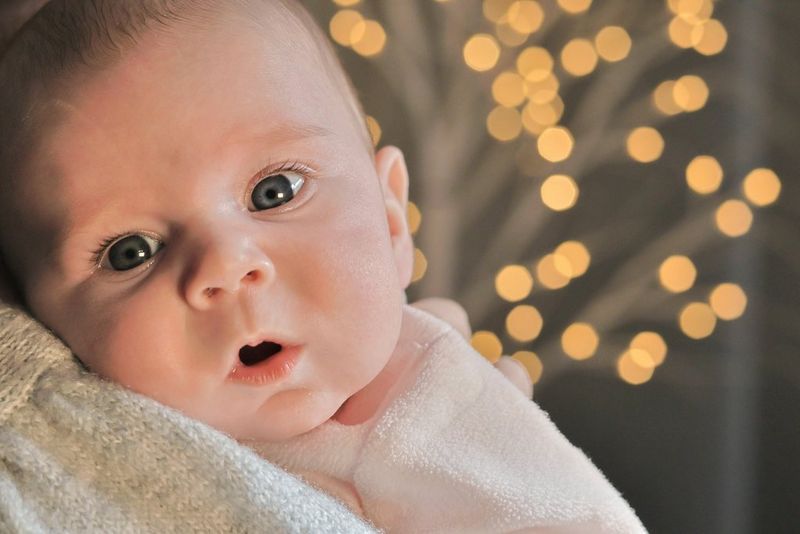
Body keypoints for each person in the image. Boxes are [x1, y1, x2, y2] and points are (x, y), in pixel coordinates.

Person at [0, 1, 645, 532]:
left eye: (274, 192)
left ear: (393, 219)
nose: (226, 267)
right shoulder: (81, 467)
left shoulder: (437, 420)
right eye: (130, 252)